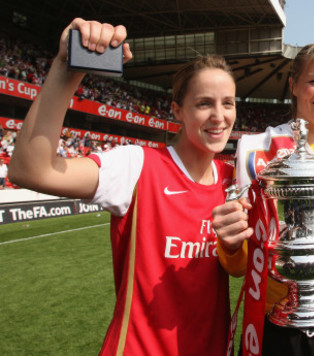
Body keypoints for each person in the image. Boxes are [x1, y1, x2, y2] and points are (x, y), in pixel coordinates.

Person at [8, 18, 241, 355]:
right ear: (177, 110)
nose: (219, 115)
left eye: (228, 103)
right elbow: (32, 170)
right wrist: (66, 67)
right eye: (204, 103)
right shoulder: (137, 165)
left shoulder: (235, 180)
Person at [212, 41, 314, 355]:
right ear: (293, 85)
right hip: (282, 317)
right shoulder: (258, 151)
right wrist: (232, 245)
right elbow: (241, 263)